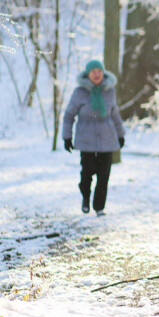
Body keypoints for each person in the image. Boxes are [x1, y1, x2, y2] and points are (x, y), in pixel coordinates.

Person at [62, 60, 125, 216]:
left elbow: (115, 114)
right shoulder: (79, 93)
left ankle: (99, 207)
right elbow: (69, 115)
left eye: (99, 71)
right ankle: (85, 196)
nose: (96, 74)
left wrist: (121, 134)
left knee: (104, 176)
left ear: (103, 73)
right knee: (87, 173)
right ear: (88, 74)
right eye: (93, 71)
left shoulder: (110, 91)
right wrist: (67, 137)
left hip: (107, 139)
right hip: (86, 140)